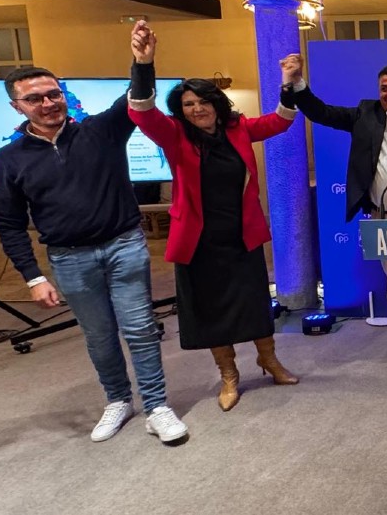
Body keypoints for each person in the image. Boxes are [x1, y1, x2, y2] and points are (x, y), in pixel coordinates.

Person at [0, 24, 188, 445]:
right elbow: (8, 222)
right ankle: (118, 400)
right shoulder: (7, 159)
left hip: (124, 246)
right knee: (99, 335)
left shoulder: (102, 131)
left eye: (53, 94)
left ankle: (156, 406)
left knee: (138, 328)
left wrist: (143, 60)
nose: (48, 103)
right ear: (16, 106)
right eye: (35, 98)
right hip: (69, 258)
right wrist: (33, 276)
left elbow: (133, 98)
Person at [126, 22, 299, 412]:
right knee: (212, 311)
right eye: (188, 104)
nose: (197, 108)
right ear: (181, 111)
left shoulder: (236, 129)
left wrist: (289, 82)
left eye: (202, 101)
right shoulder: (174, 135)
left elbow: (280, 121)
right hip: (199, 243)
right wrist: (143, 63)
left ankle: (268, 359)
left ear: (215, 103)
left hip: (240, 237)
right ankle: (229, 375)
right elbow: (141, 113)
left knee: (254, 303)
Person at [280, 54, 387, 366]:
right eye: (384, 89)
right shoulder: (365, 114)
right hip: (385, 221)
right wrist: (297, 81)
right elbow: (321, 113)